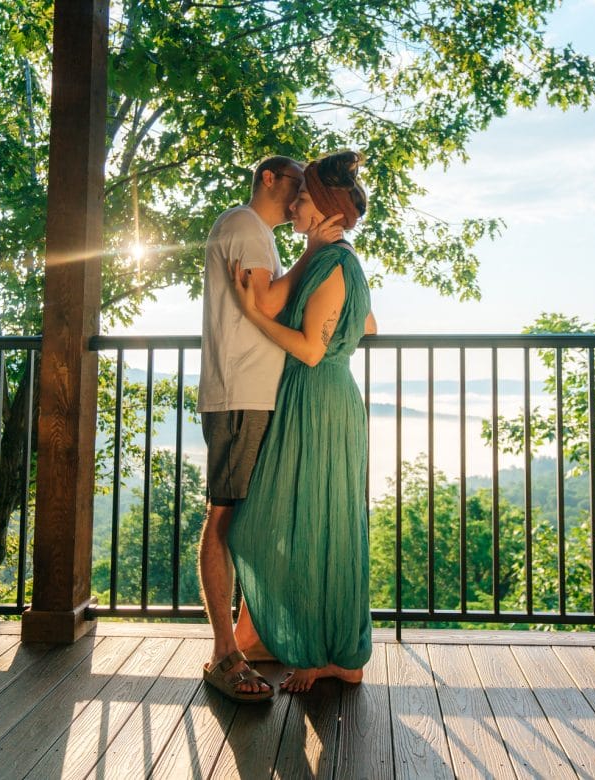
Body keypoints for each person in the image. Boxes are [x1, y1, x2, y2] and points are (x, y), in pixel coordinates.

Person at [229, 150, 377, 693]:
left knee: (305, 521)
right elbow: (371, 325)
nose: (295, 204)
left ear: (328, 211)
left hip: (316, 398)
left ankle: (317, 654)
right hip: (326, 401)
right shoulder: (330, 260)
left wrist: (249, 316)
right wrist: (315, 254)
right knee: (327, 521)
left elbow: (312, 351)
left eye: (305, 199)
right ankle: (340, 652)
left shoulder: (334, 264)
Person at [197, 155, 343, 702]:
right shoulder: (243, 226)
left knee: (246, 520)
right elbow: (264, 302)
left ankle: (249, 639)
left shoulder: (254, 233)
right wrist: (314, 252)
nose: (301, 196)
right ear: (268, 179)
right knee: (225, 519)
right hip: (239, 395)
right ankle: (222, 655)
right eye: (296, 185)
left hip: (252, 394)